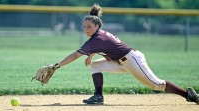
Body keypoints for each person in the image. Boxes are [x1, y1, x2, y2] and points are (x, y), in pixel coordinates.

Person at [52, 3, 199, 104]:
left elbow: (75, 55)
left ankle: (188, 94)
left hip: (132, 60)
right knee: (96, 66)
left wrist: (56, 66)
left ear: (97, 26)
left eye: (89, 27)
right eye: (84, 27)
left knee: (156, 84)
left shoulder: (97, 39)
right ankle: (98, 96)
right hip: (121, 61)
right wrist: (91, 55)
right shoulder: (98, 36)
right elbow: (98, 47)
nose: (86, 29)